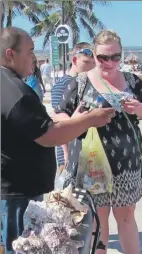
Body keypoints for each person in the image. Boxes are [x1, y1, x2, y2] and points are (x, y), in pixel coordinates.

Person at [1, 26, 115, 254]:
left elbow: (33, 128)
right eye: (30, 51)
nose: (33, 57)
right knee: (24, 251)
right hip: (18, 191)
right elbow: (49, 135)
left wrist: (73, 121)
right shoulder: (15, 92)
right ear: (11, 54)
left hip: (14, 187)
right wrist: (90, 119)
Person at [54, 29, 142, 254]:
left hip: (126, 165)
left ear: (121, 55)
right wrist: (76, 120)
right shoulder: (80, 83)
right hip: (90, 166)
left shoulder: (132, 81)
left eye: (115, 57)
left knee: (127, 217)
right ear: (94, 54)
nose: (109, 62)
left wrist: (138, 108)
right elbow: (58, 116)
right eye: (103, 57)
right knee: (97, 221)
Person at [51, 42, 95, 174]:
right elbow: (58, 120)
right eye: (87, 62)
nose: (91, 66)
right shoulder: (63, 84)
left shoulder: (88, 83)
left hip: (86, 150)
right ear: (75, 60)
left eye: (94, 63)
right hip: (67, 151)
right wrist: (66, 153)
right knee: (67, 192)